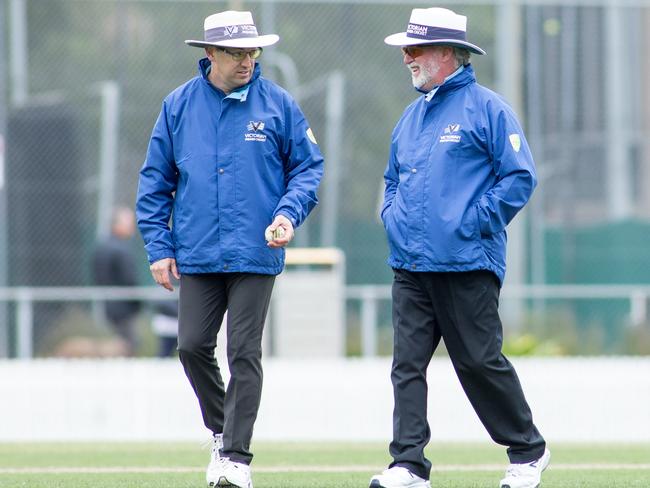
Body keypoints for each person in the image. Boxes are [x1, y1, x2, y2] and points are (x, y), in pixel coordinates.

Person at [135, 10, 324, 488]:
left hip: (256, 253)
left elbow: (308, 168)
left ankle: (236, 459)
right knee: (192, 346)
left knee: (244, 351)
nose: (247, 60)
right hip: (196, 252)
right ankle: (222, 431)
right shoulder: (177, 107)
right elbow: (155, 183)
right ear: (210, 54)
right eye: (237, 52)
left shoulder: (279, 104)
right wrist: (159, 247)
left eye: (253, 51)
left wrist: (287, 213)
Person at [371, 7, 549, 488]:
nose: (406, 57)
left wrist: (473, 224)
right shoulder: (409, 117)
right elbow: (390, 181)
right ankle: (408, 464)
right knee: (406, 366)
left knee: (478, 362)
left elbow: (519, 177)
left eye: (415, 48)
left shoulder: (488, 108)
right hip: (410, 264)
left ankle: (528, 452)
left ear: (447, 54)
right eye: (405, 49)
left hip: (467, 261)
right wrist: (392, 218)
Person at [92, 206, 141, 356]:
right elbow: (129, 279)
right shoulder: (120, 249)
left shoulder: (102, 246)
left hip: (108, 305)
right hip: (123, 307)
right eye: (129, 223)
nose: (132, 227)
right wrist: (137, 302)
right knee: (127, 346)